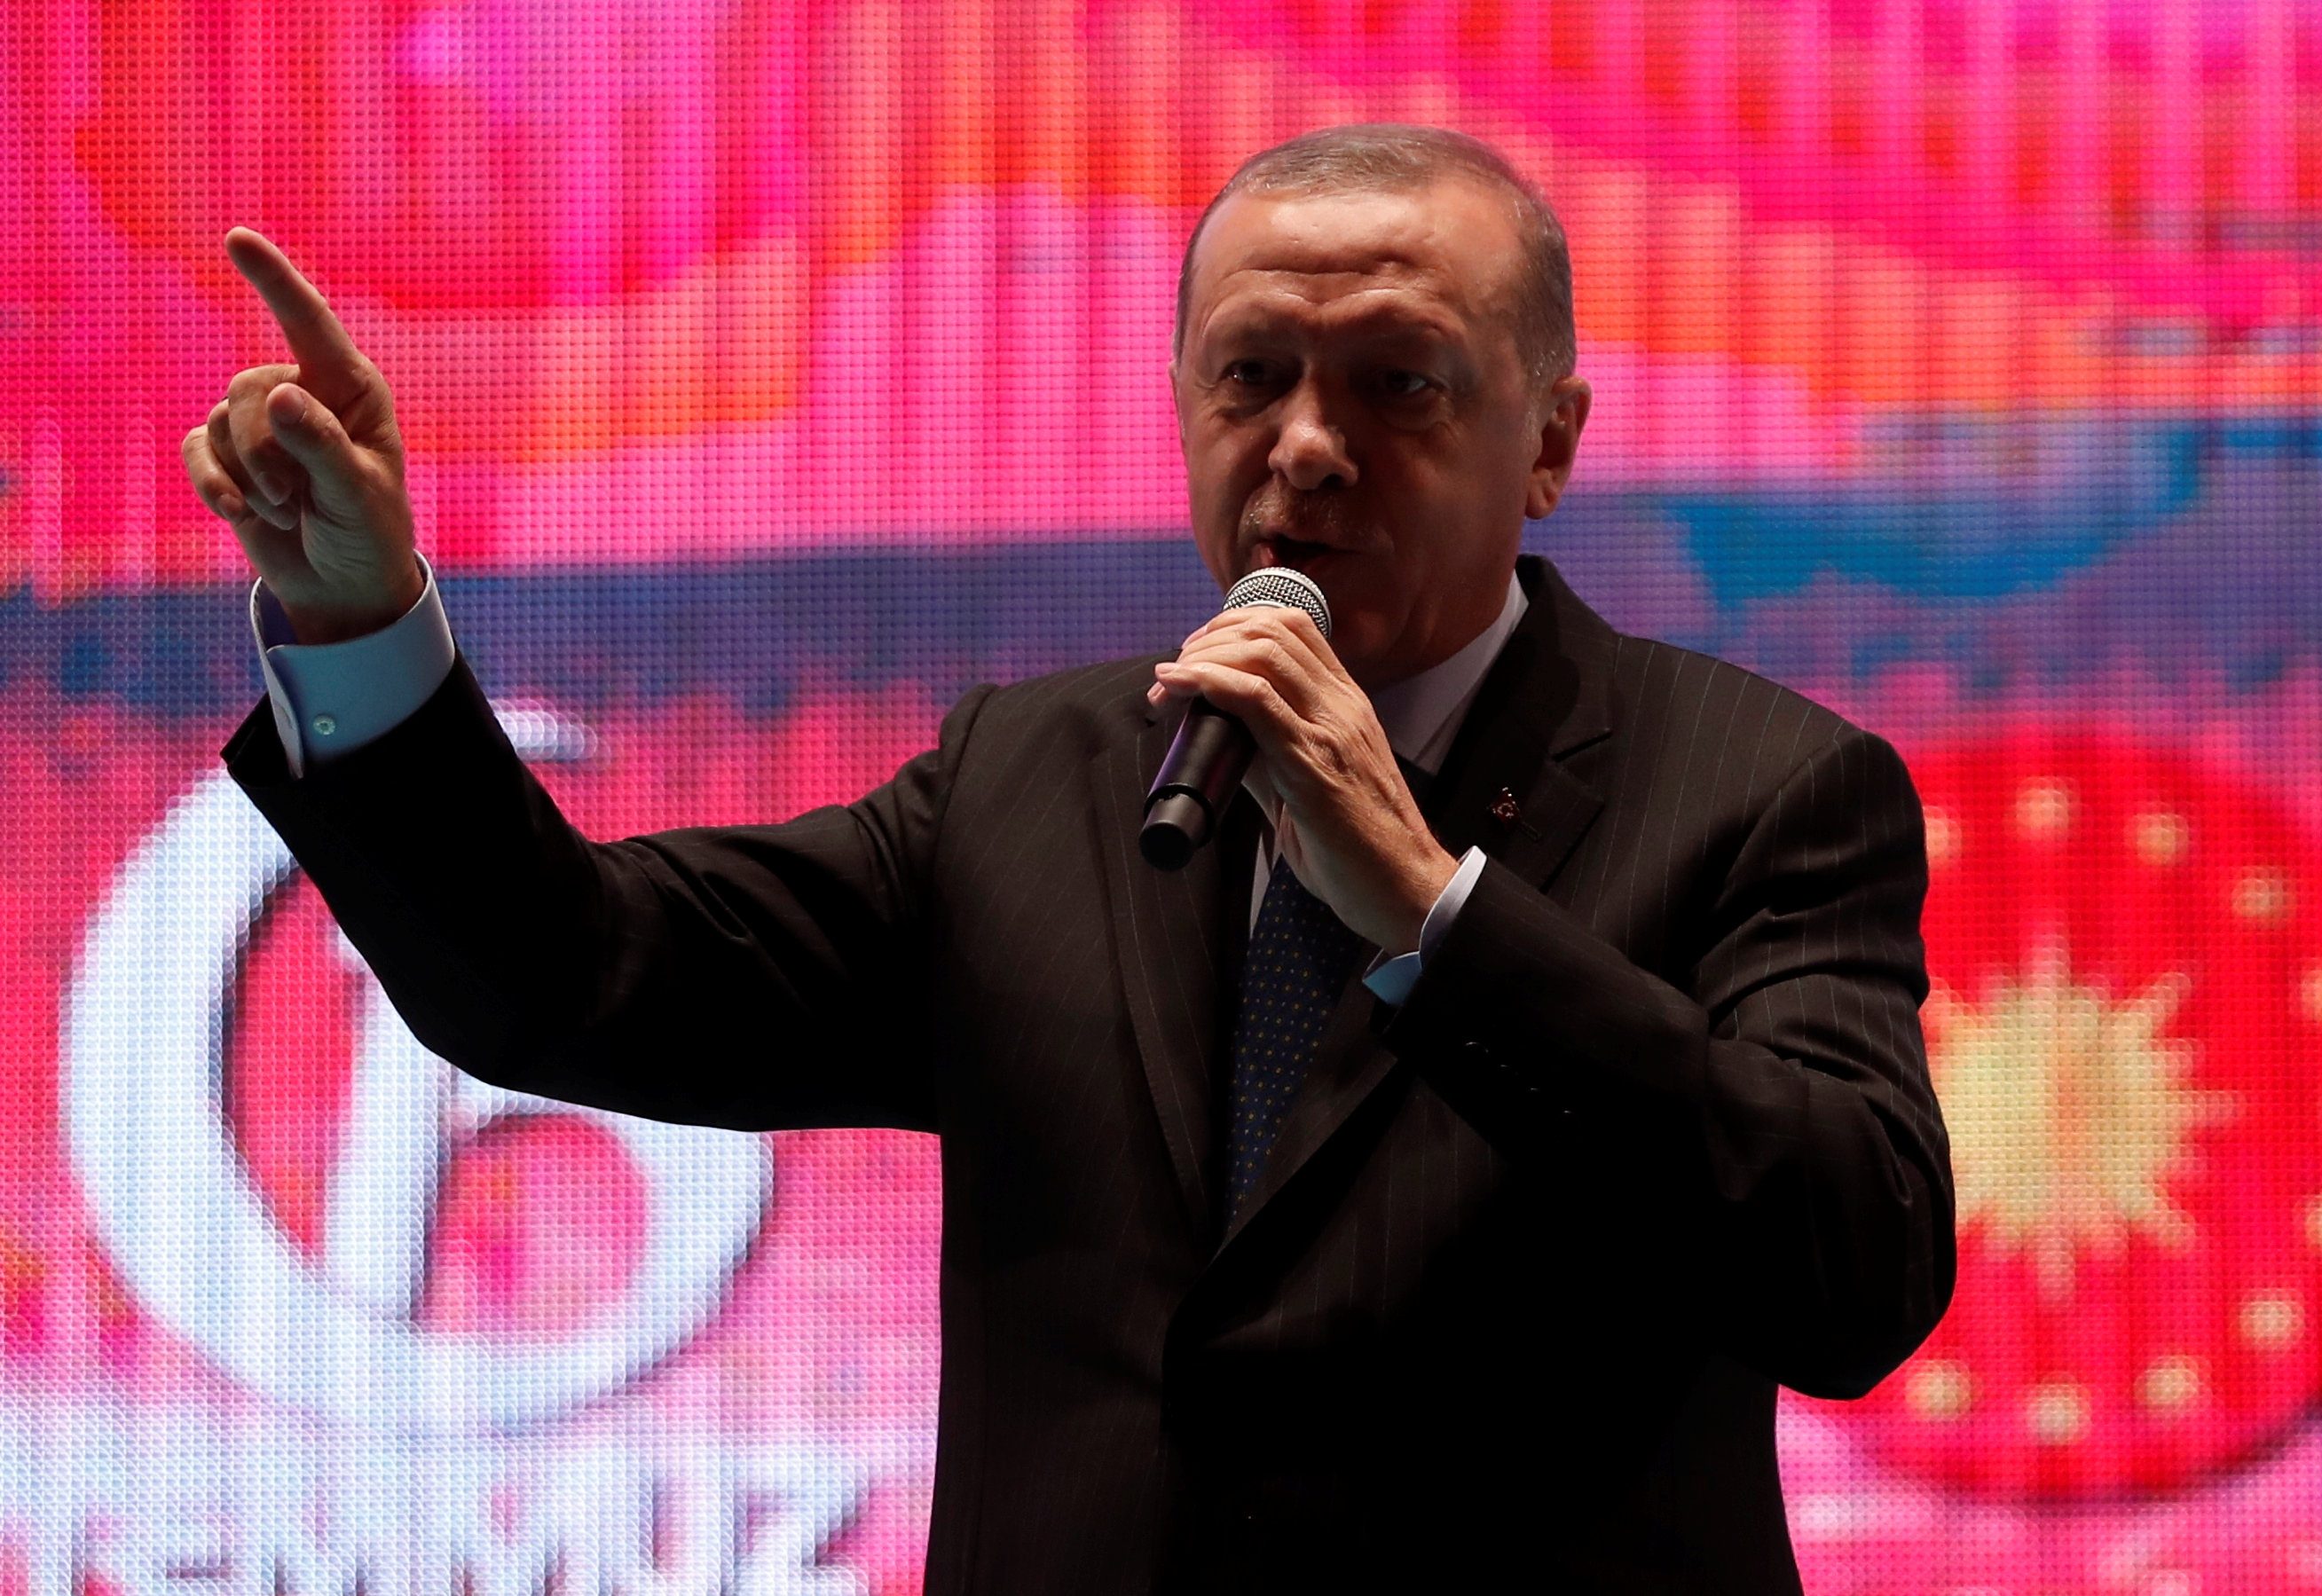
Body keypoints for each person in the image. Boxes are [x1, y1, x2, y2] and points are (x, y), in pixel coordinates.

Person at [187, 123, 1955, 1595]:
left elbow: (1851, 1272)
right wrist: (363, 626)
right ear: (1183, 408)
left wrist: (1439, 917)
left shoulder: (1760, 789)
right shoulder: (1037, 779)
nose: (1309, 445)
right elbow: (566, 978)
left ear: (1550, 441)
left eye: (1400, 384)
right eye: (1251, 377)